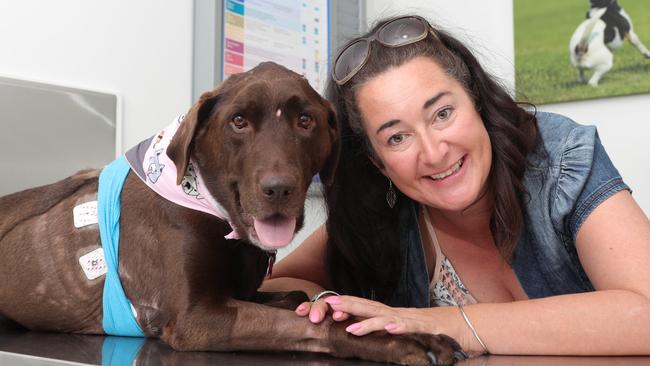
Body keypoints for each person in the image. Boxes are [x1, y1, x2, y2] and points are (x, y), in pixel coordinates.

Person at [262, 14, 650, 356]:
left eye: (442, 113)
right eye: (397, 138)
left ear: (477, 102)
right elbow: (274, 286)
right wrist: (330, 307)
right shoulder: (384, 210)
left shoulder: (562, 158)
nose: (433, 153)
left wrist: (446, 323)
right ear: (378, 164)